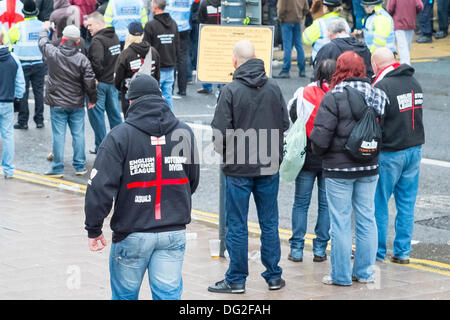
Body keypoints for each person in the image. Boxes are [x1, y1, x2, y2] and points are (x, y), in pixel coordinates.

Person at [84, 73, 200, 300]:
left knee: (125, 296)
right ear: (160, 97)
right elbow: (191, 180)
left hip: (132, 231)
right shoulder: (183, 133)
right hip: (173, 231)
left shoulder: (120, 136)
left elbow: (99, 187)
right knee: (168, 296)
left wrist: (94, 228)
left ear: (130, 102)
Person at [208, 40, 289, 294]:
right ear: (255, 58)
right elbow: (285, 124)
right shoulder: (274, 87)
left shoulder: (230, 91)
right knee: (269, 222)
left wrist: (227, 155)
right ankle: (274, 276)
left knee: (237, 224)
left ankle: (236, 279)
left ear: (235, 60)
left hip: (239, 168)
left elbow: (219, 133)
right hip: (268, 165)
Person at [310, 51, 388, 286]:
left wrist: (322, 155)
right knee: (366, 218)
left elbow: (320, 138)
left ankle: (341, 276)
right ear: (362, 69)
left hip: (338, 169)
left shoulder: (333, 96)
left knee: (340, 222)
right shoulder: (378, 95)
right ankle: (364, 273)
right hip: (369, 165)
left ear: (339, 70)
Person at [371, 48, 425, 265]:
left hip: (391, 152)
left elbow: (375, 121)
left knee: (379, 202)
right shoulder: (414, 82)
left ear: (376, 65)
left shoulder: (382, 86)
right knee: (406, 204)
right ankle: (402, 252)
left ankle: (377, 251)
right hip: (414, 149)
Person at [287, 59, 336, 263]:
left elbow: (293, 114)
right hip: (330, 157)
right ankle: (319, 249)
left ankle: (297, 249)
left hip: (307, 155)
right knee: (325, 206)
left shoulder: (305, 92)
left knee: (301, 203)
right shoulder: (338, 94)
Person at [39, 23, 97, 178]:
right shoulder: (82, 59)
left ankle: (57, 168)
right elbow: (90, 81)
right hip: (76, 103)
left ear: (63, 39)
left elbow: (43, 43)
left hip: (57, 103)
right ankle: (79, 166)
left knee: (59, 135)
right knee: (78, 134)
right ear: (78, 42)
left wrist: (45, 30)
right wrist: (92, 99)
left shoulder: (53, 53)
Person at [86, 11, 122, 155]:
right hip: (112, 82)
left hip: (99, 84)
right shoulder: (114, 36)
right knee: (114, 115)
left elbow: (97, 62)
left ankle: (101, 147)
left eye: (90, 25)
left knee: (96, 116)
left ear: (99, 23)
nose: (88, 28)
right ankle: (121, 144)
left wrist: (94, 77)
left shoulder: (97, 41)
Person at [9, 0, 46, 130]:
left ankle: (23, 121)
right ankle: (39, 120)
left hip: (22, 64)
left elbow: (10, 41)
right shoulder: (42, 26)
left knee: (23, 93)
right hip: (39, 63)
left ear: (24, 13)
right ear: (36, 12)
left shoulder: (17, 27)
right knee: (38, 92)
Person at [115, 21, 161, 117]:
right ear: (142, 34)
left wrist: (121, 88)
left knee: (131, 123)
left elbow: (118, 78)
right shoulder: (153, 52)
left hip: (131, 95)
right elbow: (157, 75)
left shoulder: (125, 54)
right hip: (150, 94)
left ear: (128, 34)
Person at [144, 0, 179, 110]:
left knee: (153, 99)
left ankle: (154, 123)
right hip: (170, 66)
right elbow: (177, 45)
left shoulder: (150, 25)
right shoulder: (173, 23)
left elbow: (146, 48)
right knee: (167, 97)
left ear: (154, 7)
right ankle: (170, 123)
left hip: (156, 68)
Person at [0, 31, 25, 179]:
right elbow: (20, 83)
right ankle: (8, 170)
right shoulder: (13, 58)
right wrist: (18, 98)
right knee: (8, 135)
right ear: (3, 39)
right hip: (8, 102)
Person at [273, 0, 308, 79]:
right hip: (297, 20)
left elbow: (281, 8)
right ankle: (302, 70)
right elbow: (306, 8)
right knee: (299, 45)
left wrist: (281, 18)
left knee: (287, 46)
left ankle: (285, 70)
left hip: (286, 21)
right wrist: (301, 16)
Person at [166, 0, 193, 97]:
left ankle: (171, 88)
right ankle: (183, 89)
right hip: (184, 28)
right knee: (183, 59)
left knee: (171, 57)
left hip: (171, 28)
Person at [387, 0, 423, 65]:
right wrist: (414, 13)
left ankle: (405, 65)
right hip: (411, 22)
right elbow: (420, 6)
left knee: (402, 46)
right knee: (407, 46)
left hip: (399, 23)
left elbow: (390, 8)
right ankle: (406, 64)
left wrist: (391, 16)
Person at [196, 0, 220, 95]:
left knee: (207, 60)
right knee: (222, 61)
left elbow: (200, 20)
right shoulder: (226, 3)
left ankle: (207, 86)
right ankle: (221, 85)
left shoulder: (204, 4)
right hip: (223, 35)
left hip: (209, 35)